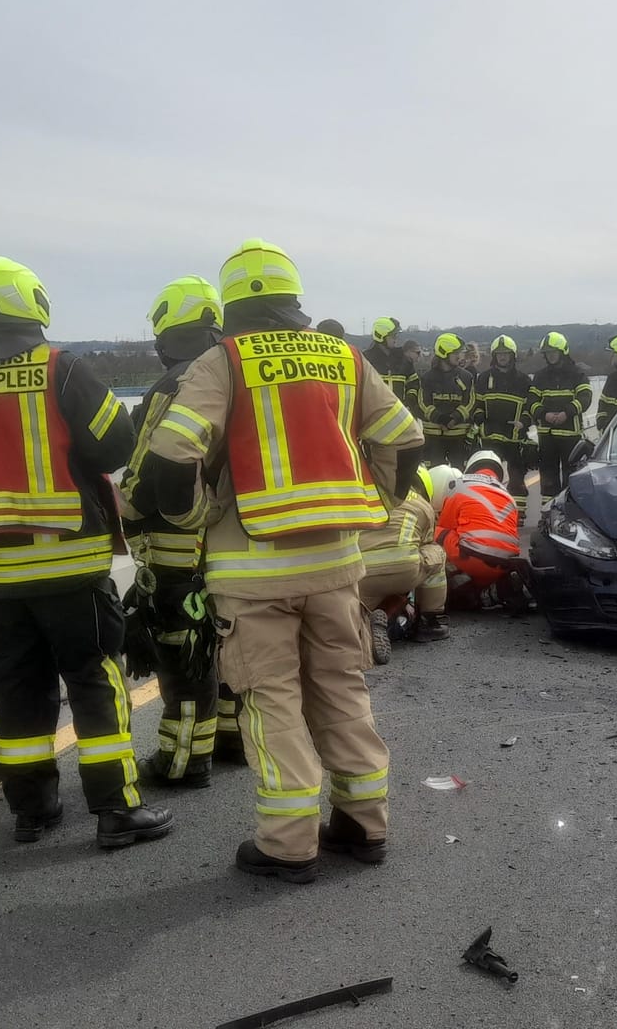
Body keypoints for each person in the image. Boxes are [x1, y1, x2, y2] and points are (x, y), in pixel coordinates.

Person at [134, 238, 424, 883]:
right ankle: (363, 822)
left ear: (232, 302)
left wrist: (196, 517)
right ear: (294, 296)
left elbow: (171, 456)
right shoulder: (343, 356)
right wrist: (372, 504)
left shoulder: (225, 360)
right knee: (341, 689)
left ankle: (289, 844)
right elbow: (404, 440)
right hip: (337, 564)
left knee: (273, 702)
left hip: (252, 570)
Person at [0, 256, 174, 850]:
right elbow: (118, 443)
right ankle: (115, 808)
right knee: (93, 681)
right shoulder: (62, 368)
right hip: (70, 567)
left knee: (18, 691)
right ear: (33, 306)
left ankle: (33, 810)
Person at [119, 275, 242, 789]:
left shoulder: (173, 385)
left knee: (183, 653)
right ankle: (233, 739)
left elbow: (152, 469)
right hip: (235, 541)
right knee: (227, 640)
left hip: (177, 542)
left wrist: (127, 513)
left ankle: (183, 758)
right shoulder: (233, 374)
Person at [358, 463, 450, 661]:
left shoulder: (366, 496)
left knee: (359, 612)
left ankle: (365, 628)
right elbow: (426, 544)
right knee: (435, 552)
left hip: (360, 573)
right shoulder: (421, 505)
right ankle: (428, 622)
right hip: (403, 570)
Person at [435, 450, 532, 612]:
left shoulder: (460, 486)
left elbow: (446, 525)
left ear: (471, 467)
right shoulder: (509, 496)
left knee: (435, 530)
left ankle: (453, 582)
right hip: (504, 564)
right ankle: (492, 590)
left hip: (471, 559)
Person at [529, 331, 591, 509]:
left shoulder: (577, 374)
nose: (550, 356)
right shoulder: (540, 376)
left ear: (562, 351)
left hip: (570, 435)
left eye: (553, 352)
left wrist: (567, 412)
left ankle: (569, 512)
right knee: (548, 477)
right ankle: (547, 513)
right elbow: (531, 401)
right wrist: (544, 414)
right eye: (547, 353)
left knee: (572, 475)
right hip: (546, 436)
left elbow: (585, 398)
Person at [474, 335, 534, 512]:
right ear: (494, 356)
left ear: (512, 355)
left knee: (516, 478)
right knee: (490, 478)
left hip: (514, 438)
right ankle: (490, 513)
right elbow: (476, 404)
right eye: (499, 353)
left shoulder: (523, 380)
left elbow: (530, 406)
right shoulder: (483, 378)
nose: (502, 357)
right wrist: (480, 421)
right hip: (489, 437)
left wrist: (523, 422)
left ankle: (517, 514)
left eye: (506, 353)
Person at [419, 333, 476, 468]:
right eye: (455, 353)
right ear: (444, 353)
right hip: (433, 438)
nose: (459, 356)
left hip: (458, 437)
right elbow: (423, 403)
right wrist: (440, 418)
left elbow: (471, 402)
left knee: (459, 476)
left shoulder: (466, 376)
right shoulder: (427, 377)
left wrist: (454, 418)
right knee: (434, 477)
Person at [362, 318, 420, 420]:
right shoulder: (366, 359)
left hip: (400, 415)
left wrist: (409, 399)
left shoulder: (403, 359)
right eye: (393, 336)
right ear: (381, 337)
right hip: (374, 417)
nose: (395, 339)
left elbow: (414, 383)